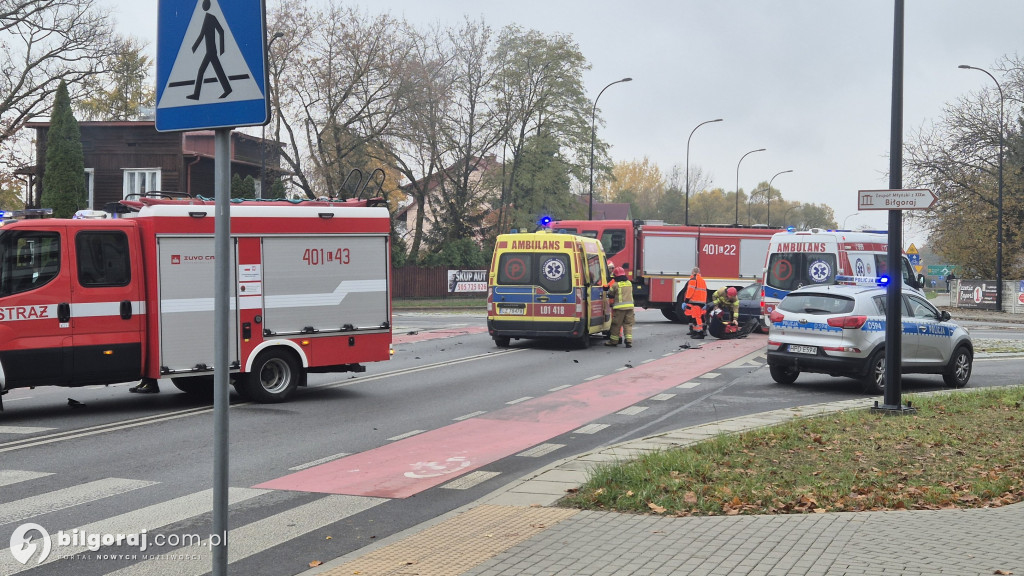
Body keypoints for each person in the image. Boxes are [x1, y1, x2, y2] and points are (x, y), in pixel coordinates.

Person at [604, 267, 635, 348]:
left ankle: (613, 341)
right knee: (628, 324)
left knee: (616, 325)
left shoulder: (615, 285)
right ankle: (628, 341)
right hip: (630, 308)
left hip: (619, 309)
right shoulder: (629, 283)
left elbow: (610, 294)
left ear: (615, 276)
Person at [681, 267, 708, 338]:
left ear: (693, 272)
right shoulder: (702, 280)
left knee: (696, 317)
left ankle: (699, 333)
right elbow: (705, 291)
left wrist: (686, 301)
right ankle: (699, 331)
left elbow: (690, 291)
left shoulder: (693, 280)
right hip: (701, 301)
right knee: (699, 317)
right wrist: (704, 302)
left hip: (694, 301)